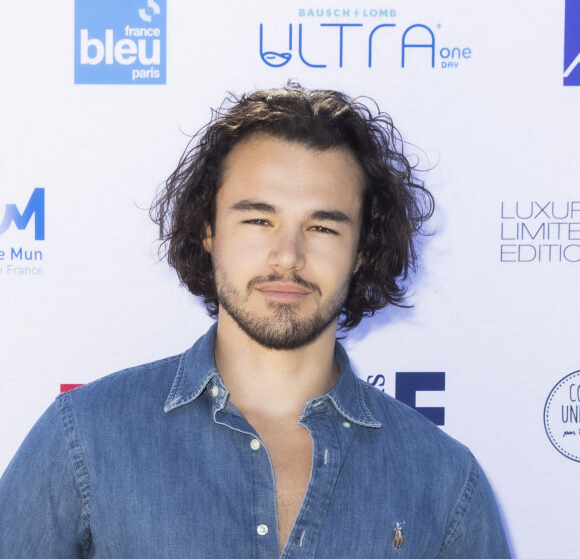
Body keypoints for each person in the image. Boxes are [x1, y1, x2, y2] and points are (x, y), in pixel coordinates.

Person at [0, 83, 511, 558]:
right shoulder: (85, 437)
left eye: (323, 226)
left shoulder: (443, 479)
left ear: (362, 250)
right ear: (208, 229)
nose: (287, 255)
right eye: (259, 220)